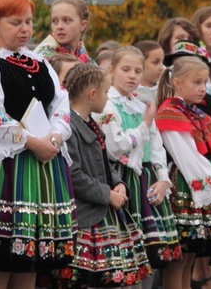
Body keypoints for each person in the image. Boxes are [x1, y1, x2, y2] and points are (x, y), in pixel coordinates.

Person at [0, 0, 76, 289]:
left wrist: (55, 136)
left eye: (28, 22)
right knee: (1, 257)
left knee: (29, 258)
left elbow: (61, 103)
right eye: (16, 22)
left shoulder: (39, 62)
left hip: (42, 166)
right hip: (7, 168)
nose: (25, 29)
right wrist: (31, 141)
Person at [92, 46, 181, 288]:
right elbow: (114, 146)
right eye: (126, 69)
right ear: (111, 71)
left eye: (138, 71)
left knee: (148, 253)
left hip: (145, 180)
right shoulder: (108, 105)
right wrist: (143, 126)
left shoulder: (142, 106)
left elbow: (156, 146)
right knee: (126, 252)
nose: (132, 75)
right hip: (121, 180)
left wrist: (163, 179)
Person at [60, 63, 152, 287]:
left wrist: (118, 183)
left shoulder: (90, 123)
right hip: (85, 217)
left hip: (101, 212)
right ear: (92, 94)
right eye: (105, 92)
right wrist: (106, 194)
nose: (107, 98)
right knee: (87, 280)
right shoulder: (69, 126)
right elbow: (73, 174)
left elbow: (102, 161)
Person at [156, 55, 211, 289]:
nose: (203, 88)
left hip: (204, 183)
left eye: (205, 83)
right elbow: (185, 155)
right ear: (178, 82)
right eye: (197, 83)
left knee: (190, 257)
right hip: (185, 184)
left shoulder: (200, 115)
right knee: (179, 257)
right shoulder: (169, 112)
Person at [35, 0, 92, 64]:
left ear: (83, 25)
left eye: (66, 20)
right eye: (54, 21)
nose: (59, 26)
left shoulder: (85, 59)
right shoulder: (43, 59)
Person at [134, 40, 165, 106]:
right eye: (156, 62)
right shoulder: (134, 93)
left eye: (162, 62)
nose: (161, 67)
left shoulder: (165, 88)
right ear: (140, 63)